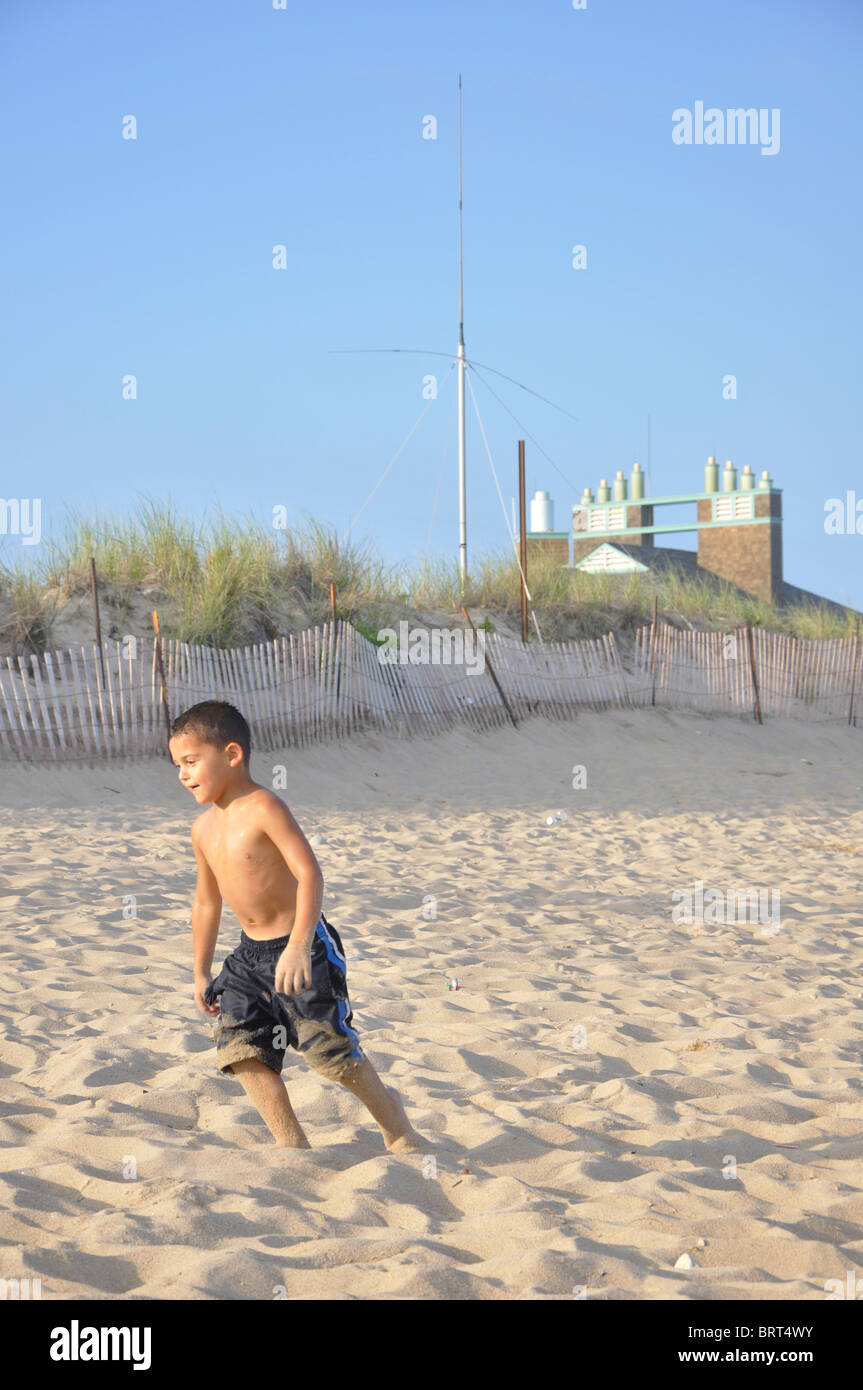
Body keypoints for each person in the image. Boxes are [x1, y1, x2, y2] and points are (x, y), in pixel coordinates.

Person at [169, 699, 424, 1152]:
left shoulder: (265, 806)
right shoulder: (201, 830)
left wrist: (300, 945)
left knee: (331, 1056)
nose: (183, 774)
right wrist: (199, 970)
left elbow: (310, 875)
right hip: (248, 958)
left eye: (191, 761)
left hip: (302, 948)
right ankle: (292, 1145)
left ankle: (396, 1124)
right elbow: (207, 902)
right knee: (240, 1050)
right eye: (177, 765)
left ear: (232, 755)